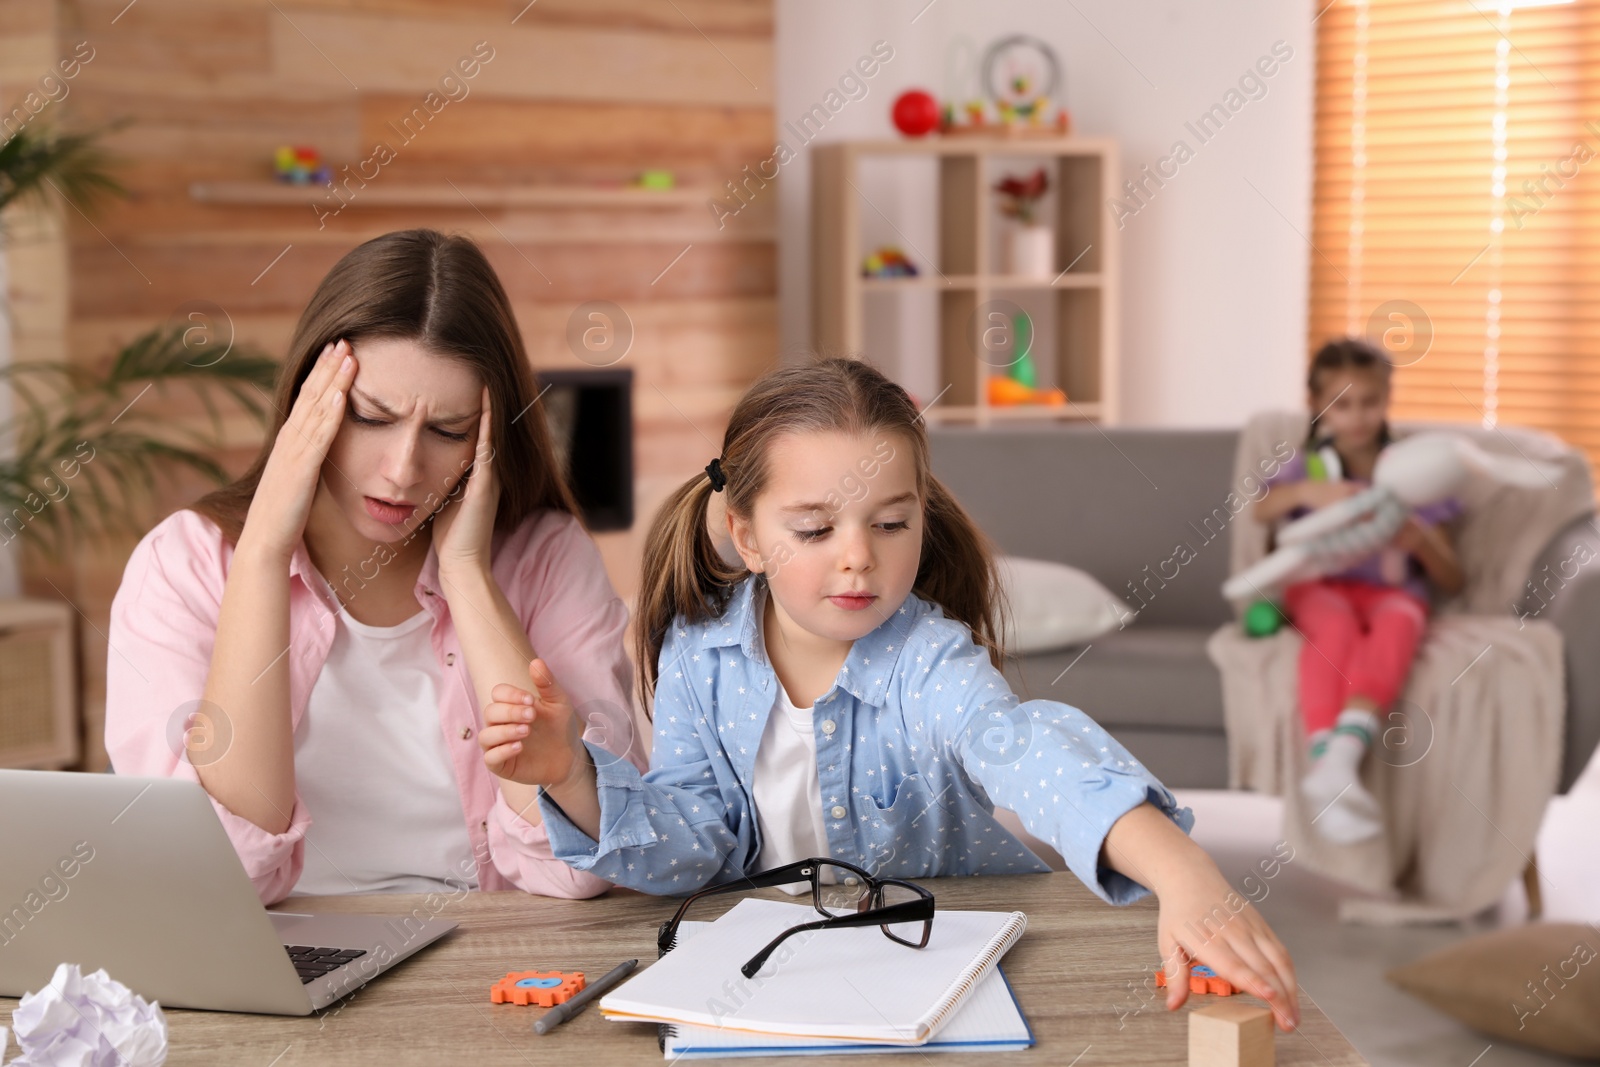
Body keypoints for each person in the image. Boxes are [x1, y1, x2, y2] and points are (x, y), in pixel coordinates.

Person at [478, 357, 1300, 1029]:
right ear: (746, 534)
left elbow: (1020, 748)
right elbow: (694, 844)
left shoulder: (927, 657)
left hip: (941, 965)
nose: (858, 558)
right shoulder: (701, 655)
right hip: (773, 975)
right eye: (814, 528)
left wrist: (1181, 867)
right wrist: (571, 776)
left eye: (891, 521)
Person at [105, 229, 643, 904]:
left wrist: (470, 573)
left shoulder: (546, 559)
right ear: (310, 400)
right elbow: (210, 878)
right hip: (276, 964)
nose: (402, 470)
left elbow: (587, 865)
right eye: (370, 416)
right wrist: (266, 555)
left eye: (447, 431)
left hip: (482, 960)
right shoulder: (181, 565)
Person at [1255, 338, 1464, 844]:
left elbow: (1454, 579)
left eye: (1370, 402)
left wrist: (1423, 540)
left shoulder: (1413, 469)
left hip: (1392, 591)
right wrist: (1306, 492)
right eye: (1341, 405)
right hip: (1322, 586)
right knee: (1332, 625)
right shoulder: (1310, 466)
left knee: (1400, 622)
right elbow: (1261, 509)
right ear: (1317, 404)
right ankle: (1327, 754)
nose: (1357, 417)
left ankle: (1340, 757)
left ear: (1387, 399)